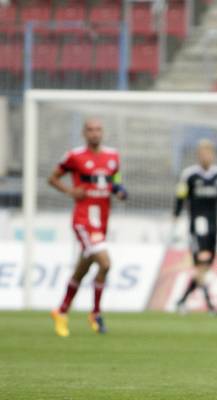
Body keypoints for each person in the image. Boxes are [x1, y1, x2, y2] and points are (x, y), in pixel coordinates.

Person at [49, 118, 127, 336]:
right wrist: (70, 191)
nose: (95, 133)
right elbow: (53, 178)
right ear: (84, 133)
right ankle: (96, 313)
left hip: (101, 221)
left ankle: (61, 311)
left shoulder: (113, 156)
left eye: (98, 129)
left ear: (103, 132)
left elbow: (115, 181)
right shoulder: (74, 156)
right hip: (83, 220)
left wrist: (119, 191)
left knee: (81, 270)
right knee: (105, 262)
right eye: (91, 130)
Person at [172, 139, 217, 315]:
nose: (206, 156)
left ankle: (182, 301)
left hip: (213, 226)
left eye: (209, 153)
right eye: (203, 153)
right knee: (201, 264)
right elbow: (180, 196)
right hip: (196, 226)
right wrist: (175, 216)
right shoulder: (189, 175)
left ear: (213, 155)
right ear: (198, 155)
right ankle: (210, 305)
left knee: (205, 266)